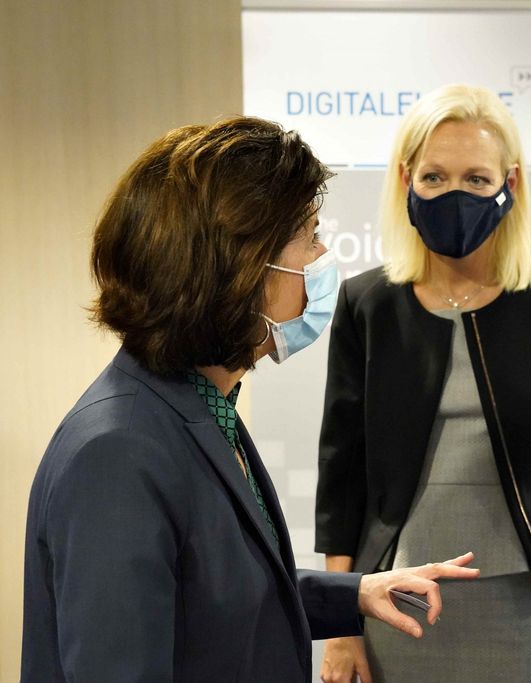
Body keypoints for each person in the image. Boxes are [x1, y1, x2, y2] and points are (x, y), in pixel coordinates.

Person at [21, 117, 479, 682]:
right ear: (243, 268)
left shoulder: (199, 405)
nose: (323, 255)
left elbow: (214, 596)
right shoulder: (117, 454)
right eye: (310, 237)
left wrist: (357, 592)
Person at [315, 84, 531, 683]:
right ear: (405, 179)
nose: (455, 194)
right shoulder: (368, 303)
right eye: (435, 177)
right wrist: (340, 625)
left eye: (476, 178)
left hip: (525, 604)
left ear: (510, 183)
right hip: (398, 601)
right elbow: (342, 475)